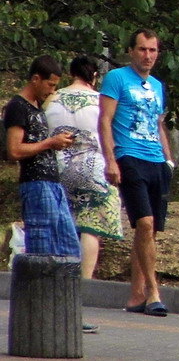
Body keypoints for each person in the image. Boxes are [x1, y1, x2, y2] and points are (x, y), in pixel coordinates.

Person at [99, 29, 174, 317]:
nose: (148, 56)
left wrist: (169, 161)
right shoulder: (117, 78)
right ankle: (154, 292)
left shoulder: (156, 85)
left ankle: (135, 296)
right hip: (129, 156)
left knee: (149, 231)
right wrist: (111, 160)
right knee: (143, 223)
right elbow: (104, 120)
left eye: (153, 50)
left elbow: (158, 124)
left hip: (155, 160)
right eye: (142, 49)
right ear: (131, 51)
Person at [44, 55, 124, 282]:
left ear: (71, 74)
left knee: (62, 222)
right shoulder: (100, 100)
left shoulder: (53, 98)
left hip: (57, 166)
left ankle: (59, 279)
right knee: (91, 225)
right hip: (94, 168)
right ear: (95, 76)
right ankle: (85, 281)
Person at [3, 56, 79, 260]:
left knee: (68, 247)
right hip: (35, 184)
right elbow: (14, 150)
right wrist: (49, 143)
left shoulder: (37, 107)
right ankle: (38, 291)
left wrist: (57, 143)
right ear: (36, 79)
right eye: (50, 85)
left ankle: (63, 290)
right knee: (43, 249)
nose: (52, 91)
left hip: (53, 183)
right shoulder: (18, 106)